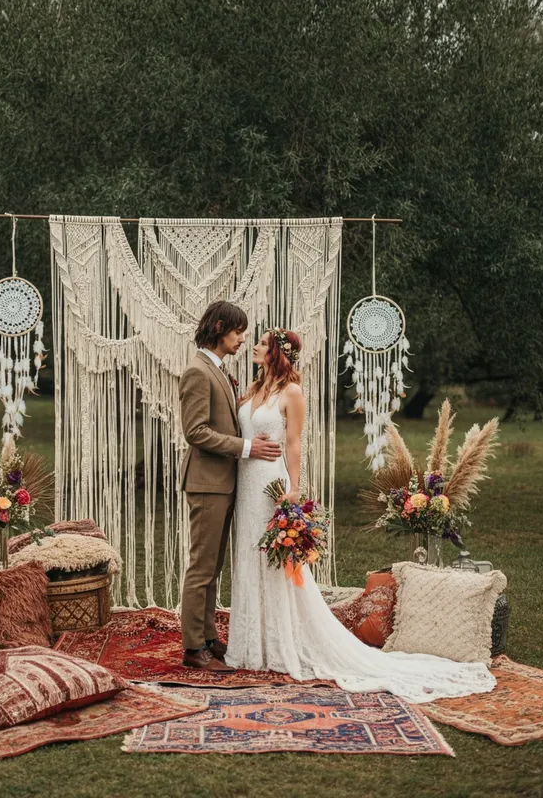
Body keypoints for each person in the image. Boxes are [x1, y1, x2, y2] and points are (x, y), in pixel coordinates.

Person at [224, 327, 496, 703]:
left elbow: (294, 443)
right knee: (249, 555)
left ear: (277, 352)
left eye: (262, 343)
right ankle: (249, 643)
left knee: (275, 562)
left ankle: (278, 643)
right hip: (247, 485)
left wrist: (294, 489)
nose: (254, 346)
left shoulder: (292, 392)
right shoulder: (253, 389)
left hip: (273, 484)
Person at [178, 301, 282, 672]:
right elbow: (196, 432)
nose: (242, 339)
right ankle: (194, 648)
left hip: (222, 484)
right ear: (220, 328)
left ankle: (207, 637)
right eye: (238, 332)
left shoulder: (218, 369)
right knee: (201, 568)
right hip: (207, 484)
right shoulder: (197, 371)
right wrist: (248, 447)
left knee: (213, 567)